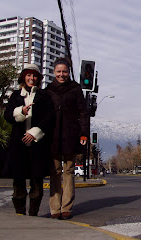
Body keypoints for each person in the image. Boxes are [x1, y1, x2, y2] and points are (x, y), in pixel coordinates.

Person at [4, 64, 54, 216]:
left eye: (35, 76)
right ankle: (20, 212)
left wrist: (34, 132)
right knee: (18, 181)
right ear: (23, 77)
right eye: (29, 75)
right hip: (18, 145)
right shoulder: (15, 96)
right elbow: (7, 116)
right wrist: (20, 112)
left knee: (36, 180)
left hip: (37, 145)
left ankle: (33, 214)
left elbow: (50, 117)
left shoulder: (44, 96)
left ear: (38, 79)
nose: (31, 78)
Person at [46, 57, 89, 220]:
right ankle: (54, 208)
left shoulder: (76, 89)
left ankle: (66, 207)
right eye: (58, 71)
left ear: (69, 72)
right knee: (55, 172)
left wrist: (83, 133)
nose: (61, 74)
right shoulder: (48, 90)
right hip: (53, 136)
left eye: (64, 71)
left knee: (69, 171)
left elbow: (83, 113)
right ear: (54, 72)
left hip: (71, 135)